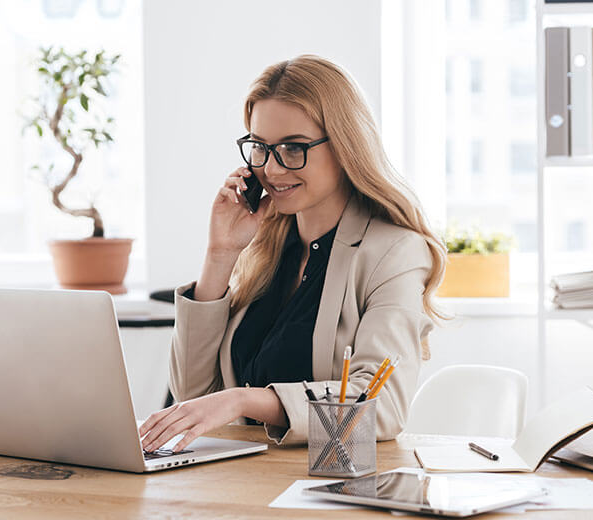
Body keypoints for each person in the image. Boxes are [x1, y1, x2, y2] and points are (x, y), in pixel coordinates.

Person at [139, 55, 447, 453]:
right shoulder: (265, 248)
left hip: (324, 486)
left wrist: (244, 399)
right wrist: (220, 255)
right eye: (261, 148)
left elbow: (381, 409)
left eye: (293, 147)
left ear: (345, 146)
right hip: (241, 482)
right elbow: (194, 394)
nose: (273, 168)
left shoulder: (394, 252)